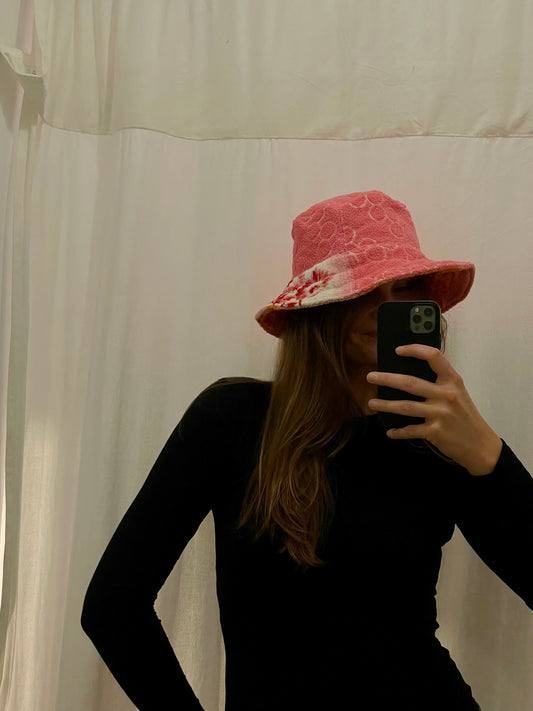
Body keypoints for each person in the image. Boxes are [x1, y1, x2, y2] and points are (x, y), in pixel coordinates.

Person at [81, 190, 533, 711]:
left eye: (404, 286)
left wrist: (490, 457)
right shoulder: (232, 421)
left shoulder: (439, 433)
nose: (387, 305)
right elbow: (113, 607)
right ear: (320, 307)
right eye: (365, 288)